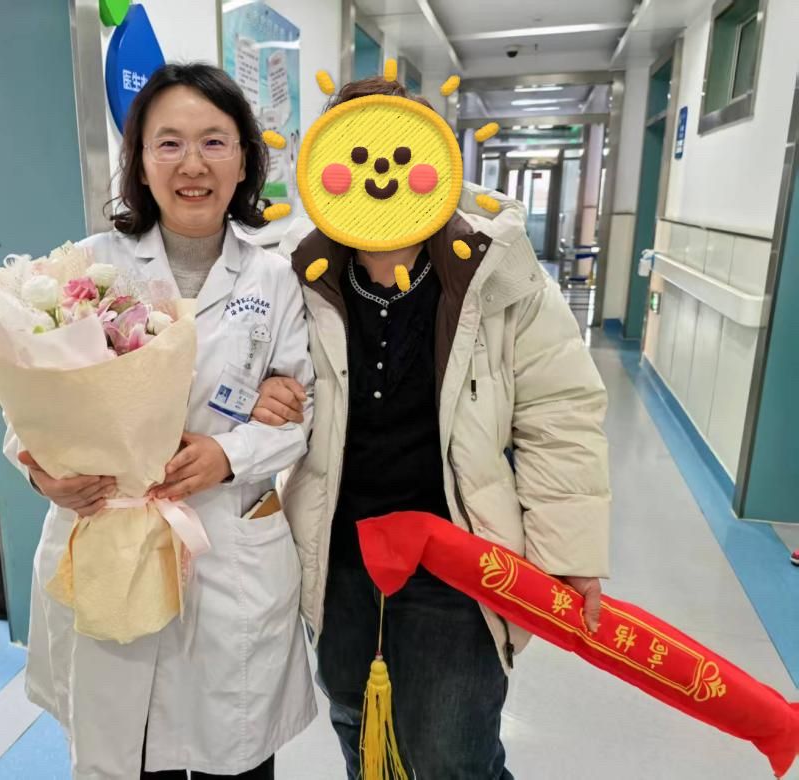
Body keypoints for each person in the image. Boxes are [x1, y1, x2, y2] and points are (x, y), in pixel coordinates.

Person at [256, 76, 611, 779]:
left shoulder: (498, 271)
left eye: (399, 152)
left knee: (454, 753)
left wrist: (568, 550)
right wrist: (266, 393)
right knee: (360, 728)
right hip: (338, 554)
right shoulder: (291, 272)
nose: (379, 177)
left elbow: (560, 411)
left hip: (461, 556)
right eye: (357, 154)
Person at [5, 63, 317, 780]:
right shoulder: (86, 266)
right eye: (168, 143)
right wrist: (42, 470)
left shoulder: (273, 279)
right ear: (140, 162)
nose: (192, 165)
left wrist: (229, 454)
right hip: (108, 533)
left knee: (232, 756)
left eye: (214, 142)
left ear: (245, 159)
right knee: (128, 752)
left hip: (224, 544)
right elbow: (28, 399)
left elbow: (303, 413)